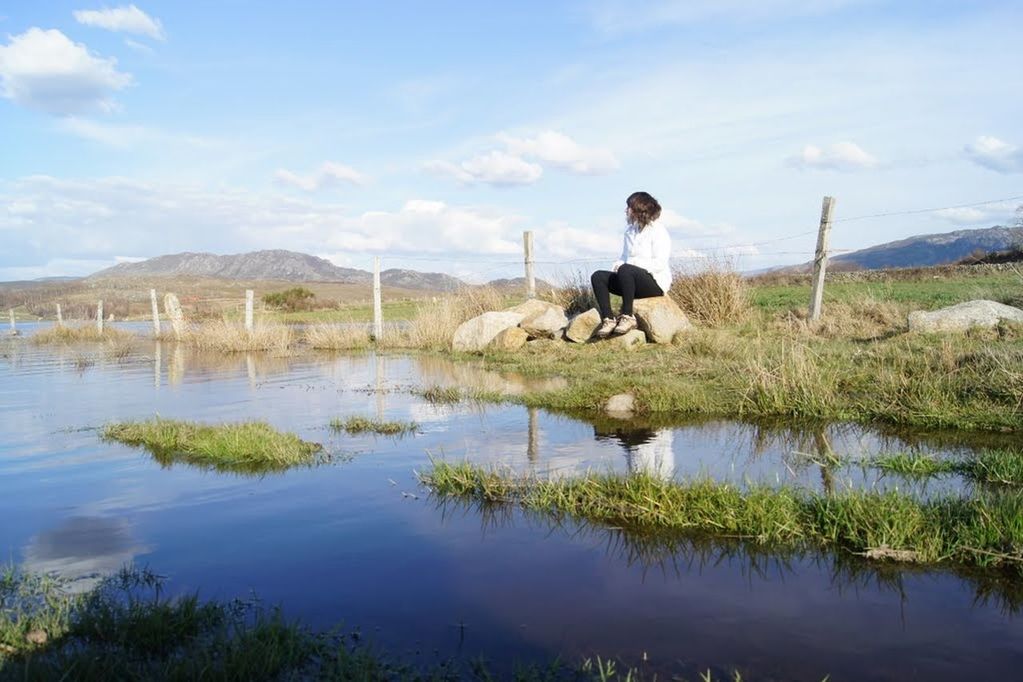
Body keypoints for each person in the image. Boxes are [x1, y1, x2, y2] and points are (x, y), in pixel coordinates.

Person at [590, 191, 672, 338]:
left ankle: (628, 316)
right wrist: (618, 265)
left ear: (639, 208)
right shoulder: (630, 231)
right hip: (629, 279)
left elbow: (659, 263)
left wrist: (629, 265)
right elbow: (624, 257)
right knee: (598, 276)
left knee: (626, 269)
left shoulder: (658, 231)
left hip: (654, 283)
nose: (626, 211)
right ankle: (608, 319)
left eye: (629, 207)